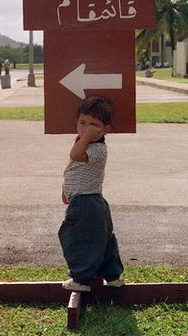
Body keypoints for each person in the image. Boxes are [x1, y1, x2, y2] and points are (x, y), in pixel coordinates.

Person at [58, 96, 124, 292]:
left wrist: (85, 136)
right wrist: (66, 191)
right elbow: (76, 169)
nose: (86, 128)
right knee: (101, 238)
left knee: (79, 238)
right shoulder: (86, 144)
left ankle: (81, 278)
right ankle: (112, 276)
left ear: (106, 130)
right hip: (88, 200)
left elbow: (75, 156)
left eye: (93, 125)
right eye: (82, 123)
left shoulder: (98, 149)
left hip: (86, 203)